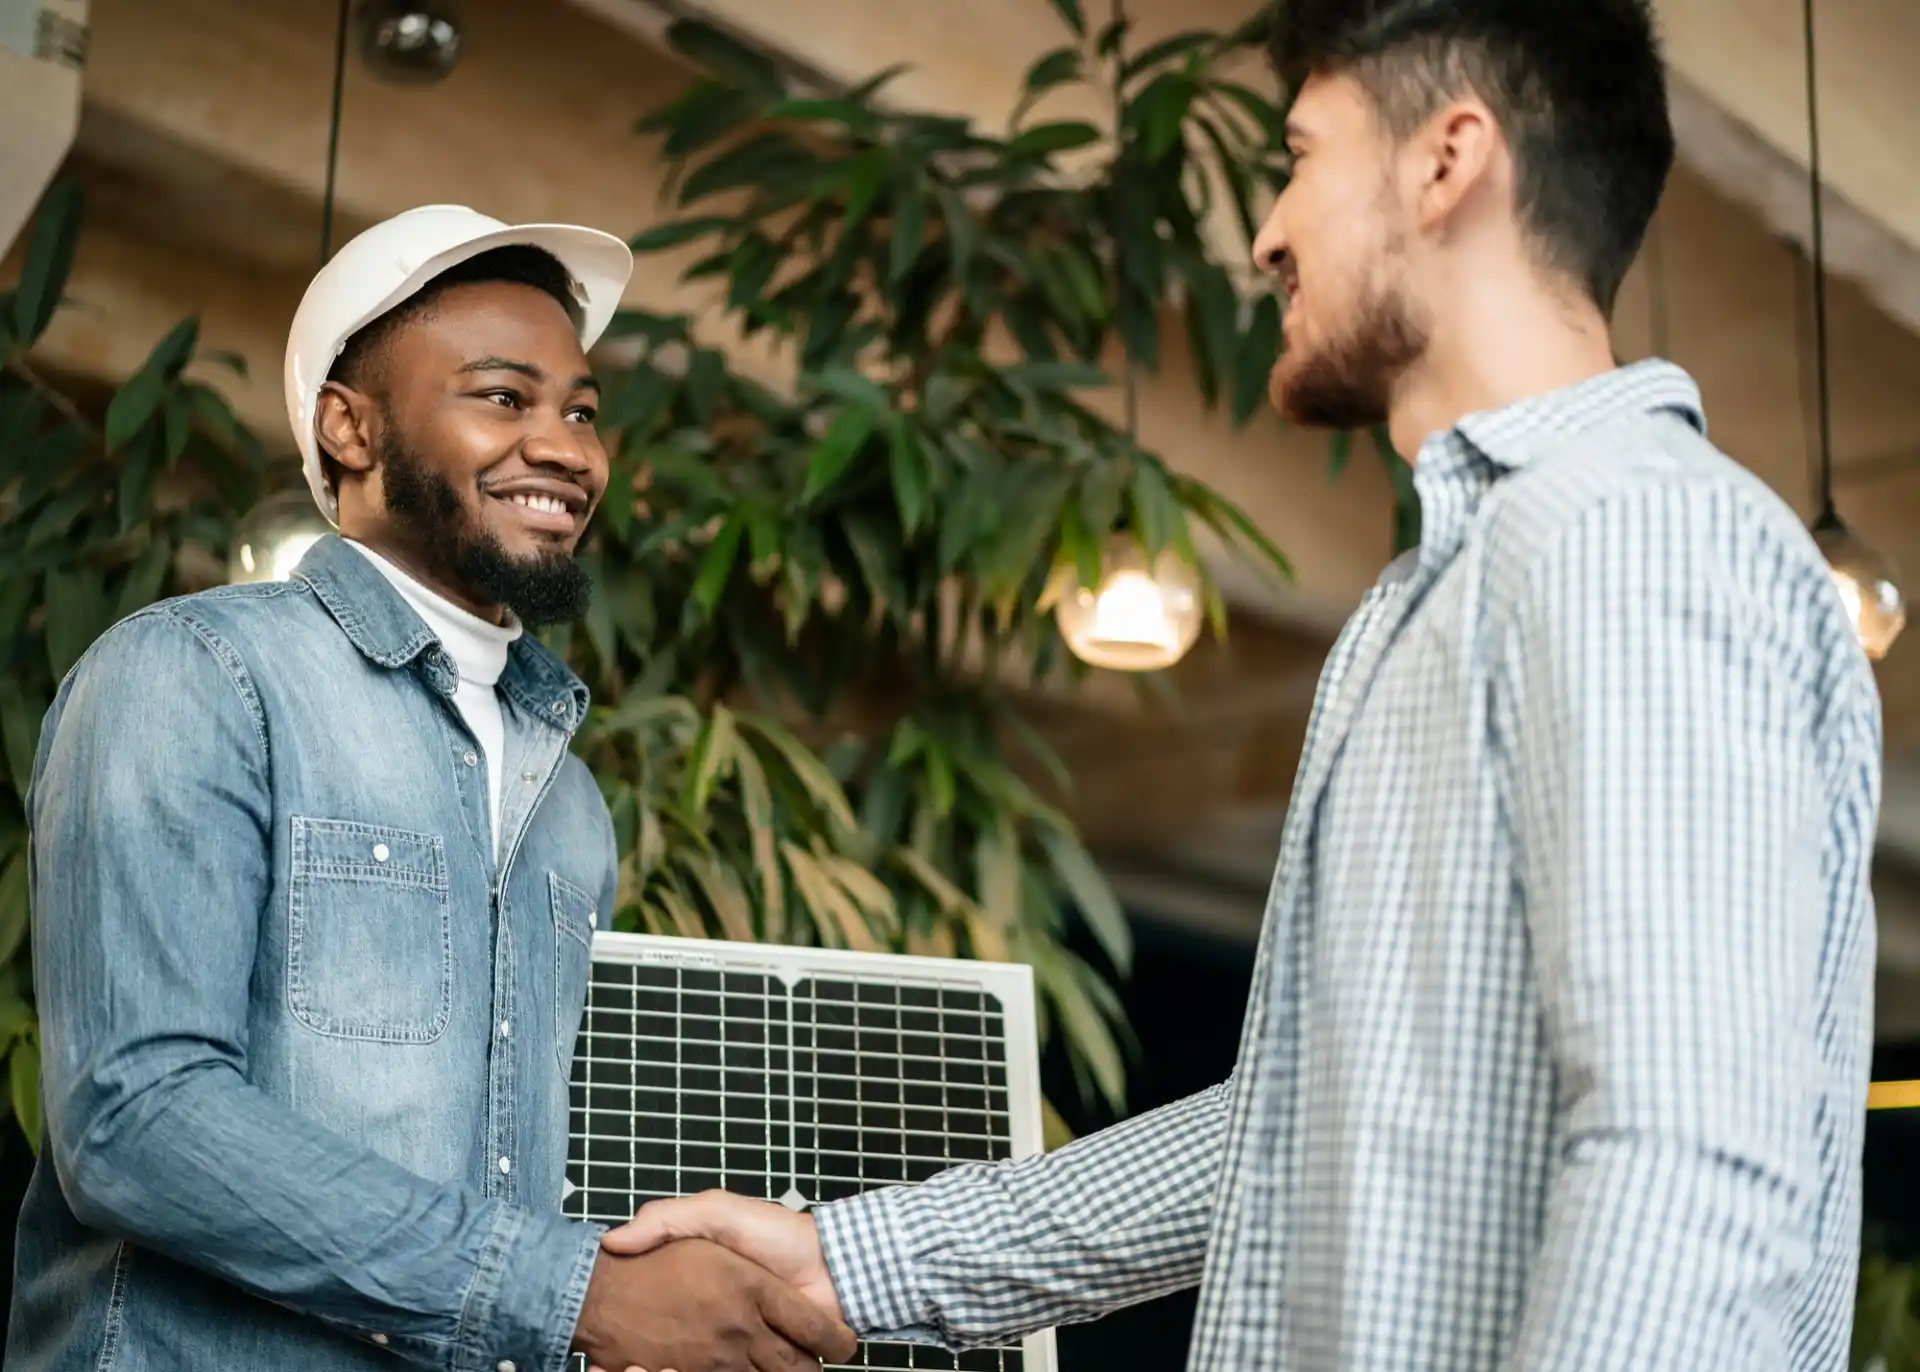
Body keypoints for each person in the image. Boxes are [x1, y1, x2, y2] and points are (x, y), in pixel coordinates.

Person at [594, 2, 1885, 1369]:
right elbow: (1295, 1124)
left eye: (1301, 155)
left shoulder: (1636, 536)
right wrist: (863, 1263)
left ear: (1449, 162)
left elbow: (1687, 1171)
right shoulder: (1434, 598)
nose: (1266, 231)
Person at [6, 205, 857, 1372]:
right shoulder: (197, 675)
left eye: (582, 411)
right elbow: (134, 1120)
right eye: (503, 397)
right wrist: (569, 1294)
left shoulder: (571, 807)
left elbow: (521, 1189)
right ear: (350, 429)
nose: (565, 446)